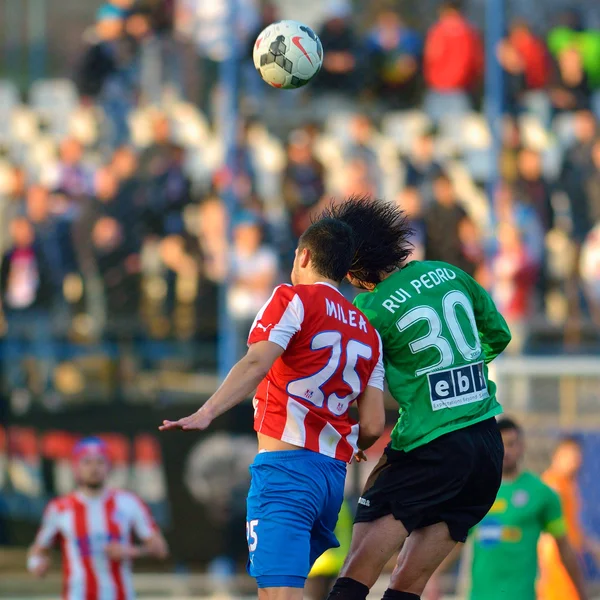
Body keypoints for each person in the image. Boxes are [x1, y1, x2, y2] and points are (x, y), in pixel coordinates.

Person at [160, 213, 386, 599]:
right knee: (276, 591)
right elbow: (374, 423)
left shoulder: (291, 300)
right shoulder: (368, 330)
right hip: (331, 479)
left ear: (303, 256)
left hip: (286, 472)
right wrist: (357, 447)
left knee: (280, 595)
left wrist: (207, 411)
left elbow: (255, 362)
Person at [324, 197, 511, 600]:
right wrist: (460, 370)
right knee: (408, 583)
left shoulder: (369, 307)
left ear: (352, 267)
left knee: (357, 571)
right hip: (484, 448)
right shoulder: (449, 273)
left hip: (430, 445)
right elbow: (499, 334)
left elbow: (352, 376)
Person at [428, 418, 588, 600]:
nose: (506, 451)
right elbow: (455, 542)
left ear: (522, 446)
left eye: (511, 444)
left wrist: (581, 593)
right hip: (480, 596)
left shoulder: (542, 494)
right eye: (500, 444)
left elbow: (564, 547)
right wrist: (433, 576)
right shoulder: (477, 492)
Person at [27, 437, 168, 599]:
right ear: (76, 467)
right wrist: (36, 565)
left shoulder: (129, 503)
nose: (94, 468)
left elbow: (161, 550)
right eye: (87, 462)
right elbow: (38, 550)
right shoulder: (59, 508)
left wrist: (131, 551)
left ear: (109, 466)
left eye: (100, 462)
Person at [538, 436, 600, 600]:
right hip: (557, 563)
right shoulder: (552, 485)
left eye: (577, 455)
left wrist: (590, 546)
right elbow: (547, 534)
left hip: (570, 558)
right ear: (557, 456)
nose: (575, 460)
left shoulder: (569, 485)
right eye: (569, 455)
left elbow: (572, 527)